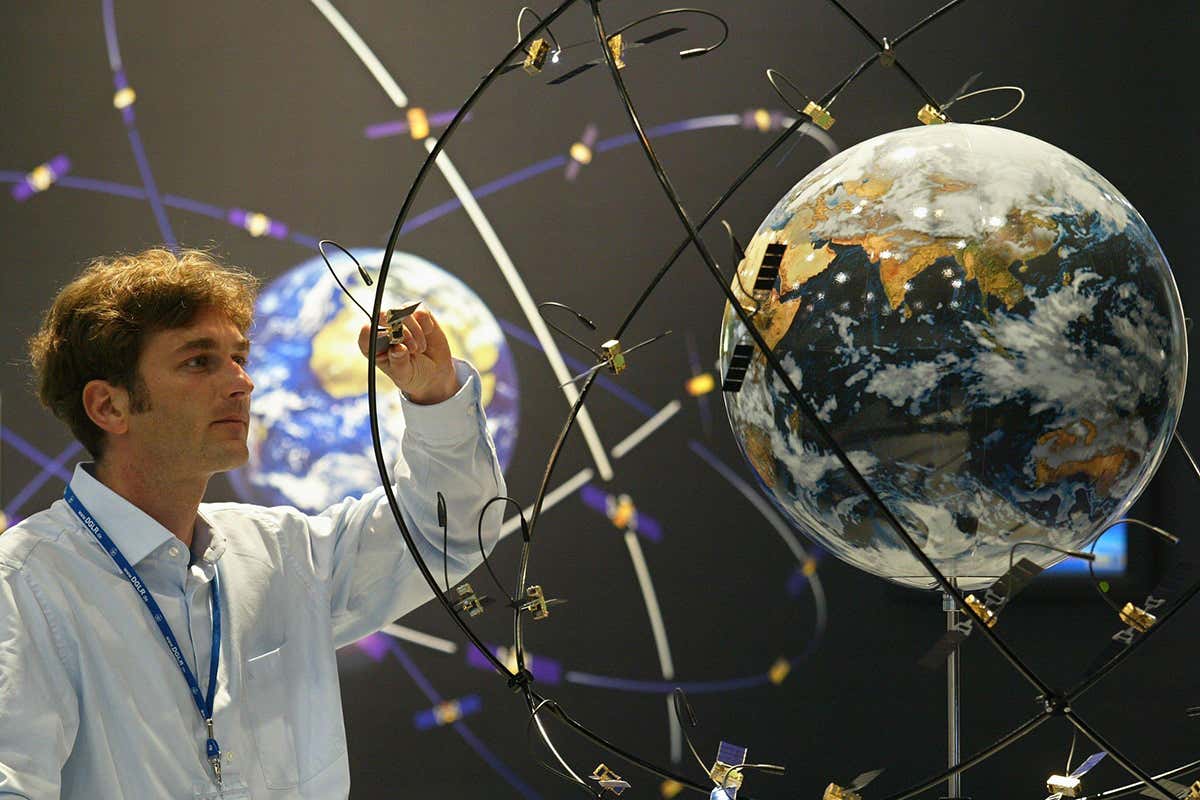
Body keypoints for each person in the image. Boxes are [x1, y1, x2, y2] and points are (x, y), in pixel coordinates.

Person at [0, 248, 505, 798]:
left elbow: (449, 531)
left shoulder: (282, 552)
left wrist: (433, 396)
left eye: (240, 357)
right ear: (109, 407)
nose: (243, 383)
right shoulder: (25, 586)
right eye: (199, 361)